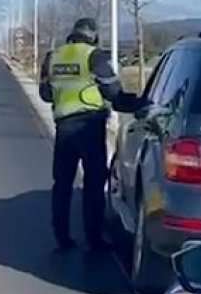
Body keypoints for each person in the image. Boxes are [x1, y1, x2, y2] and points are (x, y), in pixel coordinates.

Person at [40, 18, 140, 251]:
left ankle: (62, 236)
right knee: (94, 183)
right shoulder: (95, 56)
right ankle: (93, 239)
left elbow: (45, 94)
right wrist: (138, 104)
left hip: (64, 128)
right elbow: (114, 93)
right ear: (93, 35)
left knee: (62, 183)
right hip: (89, 127)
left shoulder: (53, 57)